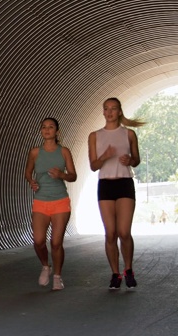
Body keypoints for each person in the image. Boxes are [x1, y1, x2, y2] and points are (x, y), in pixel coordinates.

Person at [88, 97, 144, 290]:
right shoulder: (94, 136)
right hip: (105, 185)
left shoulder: (129, 134)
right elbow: (93, 166)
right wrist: (104, 156)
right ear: (103, 112)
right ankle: (115, 273)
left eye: (113, 108)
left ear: (119, 111)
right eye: (106, 109)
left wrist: (130, 160)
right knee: (110, 234)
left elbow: (137, 160)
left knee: (124, 232)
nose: (110, 112)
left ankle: (128, 270)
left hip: (124, 184)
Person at [25, 117, 77, 291]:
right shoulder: (34, 152)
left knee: (56, 242)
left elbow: (73, 175)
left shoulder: (64, 152)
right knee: (38, 241)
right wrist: (31, 181)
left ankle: (57, 276)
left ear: (57, 131)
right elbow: (27, 172)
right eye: (44, 127)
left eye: (51, 127)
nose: (47, 130)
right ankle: (46, 266)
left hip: (60, 201)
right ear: (41, 131)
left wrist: (61, 175)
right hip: (41, 200)